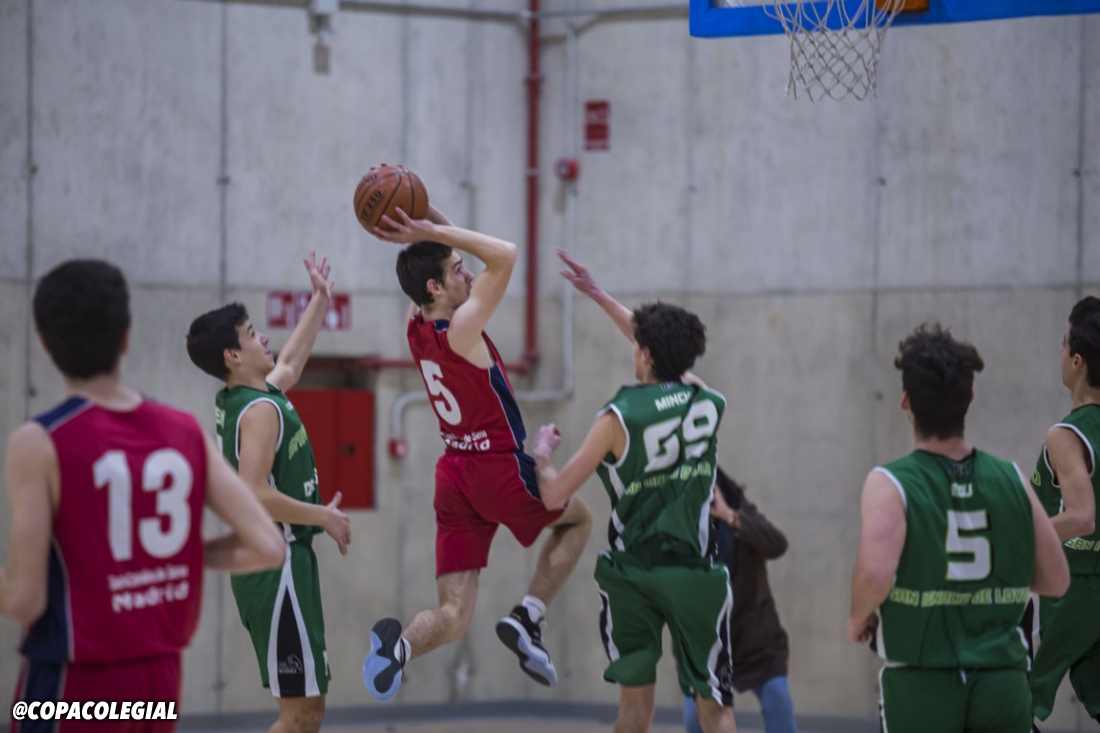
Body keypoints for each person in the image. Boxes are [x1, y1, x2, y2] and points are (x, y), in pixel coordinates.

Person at [2, 259, 285, 733]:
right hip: (159, 681)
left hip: (76, 682)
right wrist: (174, 557)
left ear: (45, 345)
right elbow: (269, 547)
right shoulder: (183, 431)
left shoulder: (39, 442)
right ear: (126, 339)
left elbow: (24, 601)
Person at [361, 207, 593, 702]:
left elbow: (449, 260)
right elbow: (505, 255)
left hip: (454, 476)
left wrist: (426, 222)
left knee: (454, 616)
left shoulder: (415, 326)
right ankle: (529, 617)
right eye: (456, 270)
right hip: (497, 470)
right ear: (435, 288)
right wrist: (429, 230)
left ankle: (399, 649)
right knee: (579, 520)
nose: (468, 274)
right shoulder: (462, 330)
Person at [529, 250, 736, 733]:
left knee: (635, 713)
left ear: (644, 355)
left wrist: (542, 456)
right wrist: (600, 296)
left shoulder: (616, 419)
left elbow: (554, 497)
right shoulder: (706, 400)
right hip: (696, 573)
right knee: (716, 710)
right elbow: (665, 354)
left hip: (633, 575)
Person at [847, 323, 1069, 733]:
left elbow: (875, 576)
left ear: (906, 402)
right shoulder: (1012, 478)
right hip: (1002, 681)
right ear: (969, 398)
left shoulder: (890, 483)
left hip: (923, 680)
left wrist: (858, 617)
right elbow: (1057, 579)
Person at [186, 252, 351, 733]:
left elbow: (292, 363)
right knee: (300, 715)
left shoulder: (251, 396)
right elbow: (254, 493)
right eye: (252, 333)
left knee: (308, 712)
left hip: (281, 563)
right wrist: (322, 515)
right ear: (233, 356)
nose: (263, 338)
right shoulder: (259, 412)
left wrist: (319, 300)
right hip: (276, 568)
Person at [1026, 296, 1100, 730]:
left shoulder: (1066, 436)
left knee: (1011, 698)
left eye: (1064, 344)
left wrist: (1018, 536)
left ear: (1077, 362)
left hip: (1072, 587)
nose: (1058, 351)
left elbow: (1082, 517)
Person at [683, 468, 797, 733]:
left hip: (757, 642)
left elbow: (778, 544)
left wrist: (730, 516)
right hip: (705, 646)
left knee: (778, 701)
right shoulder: (682, 526)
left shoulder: (739, 510)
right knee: (694, 719)